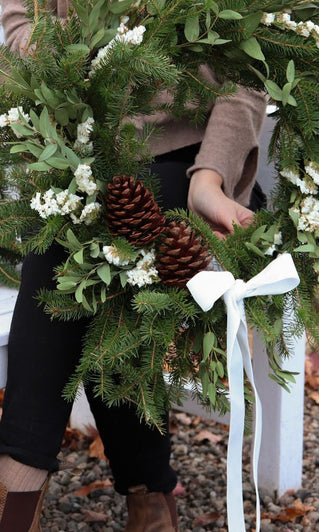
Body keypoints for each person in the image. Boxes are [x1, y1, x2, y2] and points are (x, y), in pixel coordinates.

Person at [0, 1, 267, 530]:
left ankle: (17, 488)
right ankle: (149, 490)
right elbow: (20, 19)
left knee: (95, 240)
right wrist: (62, 65)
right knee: (76, 234)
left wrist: (209, 176)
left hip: (187, 159)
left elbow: (248, 70)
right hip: (79, 148)